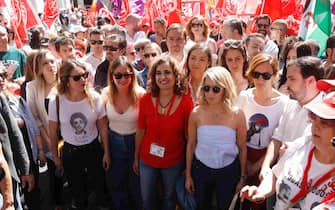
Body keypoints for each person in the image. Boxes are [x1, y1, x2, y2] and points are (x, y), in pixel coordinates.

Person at [240, 90, 335, 210]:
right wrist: (260, 192)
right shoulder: (301, 144)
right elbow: (276, 174)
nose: (315, 125)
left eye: (324, 122)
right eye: (314, 117)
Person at [49, 60, 110, 210]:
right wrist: (55, 156)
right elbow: (53, 132)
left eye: (85, 75)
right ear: (66, 81)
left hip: (93, 149)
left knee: (99, 190)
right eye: (77, 77)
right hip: (70, 152)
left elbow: (103, 128)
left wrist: (107, 152)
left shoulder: (95, 98)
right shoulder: (56, 101)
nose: (83, 80)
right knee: (77, 194)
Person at [133, 56, 193, 210]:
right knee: (147, 199)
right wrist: (136, 157)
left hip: (173, 161)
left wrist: (188, 166)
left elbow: (189, 138)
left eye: (167, 72)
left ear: (175, 75)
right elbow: (140, 130)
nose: (162, 77)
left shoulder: (186, 102)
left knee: (169, 199)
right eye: (158, 73)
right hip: (147, 160)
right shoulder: (145, 99)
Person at [185, 66, 247, 209]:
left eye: (216, 89)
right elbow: (191, 144)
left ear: (225, 88)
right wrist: (188, 175)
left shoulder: (237, 114)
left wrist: (242, 177)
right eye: (206, 88)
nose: (210, 93)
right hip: (201, 168)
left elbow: (242, 148)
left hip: (229, 170)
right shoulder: (196, 113)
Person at [236, 53, 288, 210]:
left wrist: (258, 166)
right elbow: (236, 131)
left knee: (259, 202)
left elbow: (277, 139)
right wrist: (245, 164)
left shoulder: (284, 103)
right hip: (242, 154)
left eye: (265, 75)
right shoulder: (244, 96)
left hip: (268, 159)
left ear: (274, 76)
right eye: (256, 74)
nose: (260, 80)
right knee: (240, 200)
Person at [102, 56, 145, 210]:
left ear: (132, 75)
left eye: (126, 75)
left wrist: (137, 154)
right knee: (117, 183)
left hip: (136, 141)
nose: (122, 79)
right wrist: (106, 152)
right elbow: (103, 126)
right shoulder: (106, 94)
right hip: (114, 141)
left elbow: (144, 127)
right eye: (118, 75)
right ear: (111, 76)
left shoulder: (141, 95)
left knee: (137, 183)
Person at [25, 50, 60, 210]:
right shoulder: (32, 87)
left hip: (71, 138)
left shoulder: (66, 82)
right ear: (38, 68)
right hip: (46, 138)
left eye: (52, 61)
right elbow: (35, 117)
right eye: (45, 63)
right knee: (53, 179)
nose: (50, 66)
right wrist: (50, 144)